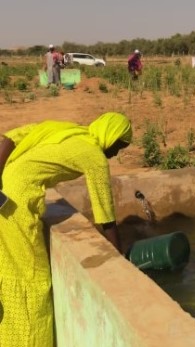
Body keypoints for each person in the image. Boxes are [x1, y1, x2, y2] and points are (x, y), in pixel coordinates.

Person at [0, 112, 133, 346]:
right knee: (33, 278)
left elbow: (12, 137)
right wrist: (119, 257)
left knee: (13, 269)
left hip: (6, 192)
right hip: (18, 203)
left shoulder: (69, 131)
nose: (115, 155)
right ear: (110, 137)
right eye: (118, 147)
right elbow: (105, 213)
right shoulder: (93, 155)